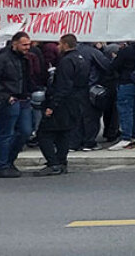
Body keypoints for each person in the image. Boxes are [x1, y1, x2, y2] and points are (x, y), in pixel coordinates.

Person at [34, 34, 88, 176]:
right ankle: (61, 161)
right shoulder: (81, 59)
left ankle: (53, 163)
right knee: (63, 133)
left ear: (65, 44)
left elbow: (63, 86)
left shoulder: (66, 61)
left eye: (59, 44)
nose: (58, 47)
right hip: (76, 101)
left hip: (63, 103)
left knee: (44, 133)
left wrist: (52, 105)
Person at [0, 32, 35, 178]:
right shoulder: (2, 59)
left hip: (23, 100)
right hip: (9, 101)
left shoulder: (25, 59)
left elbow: (27, 79)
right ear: (14, 44)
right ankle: (3, 166)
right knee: (6, 133)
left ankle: (10, 161)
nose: (27, 47)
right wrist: (5, 96)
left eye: (29, 44)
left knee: (25, 131)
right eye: (24, 45)